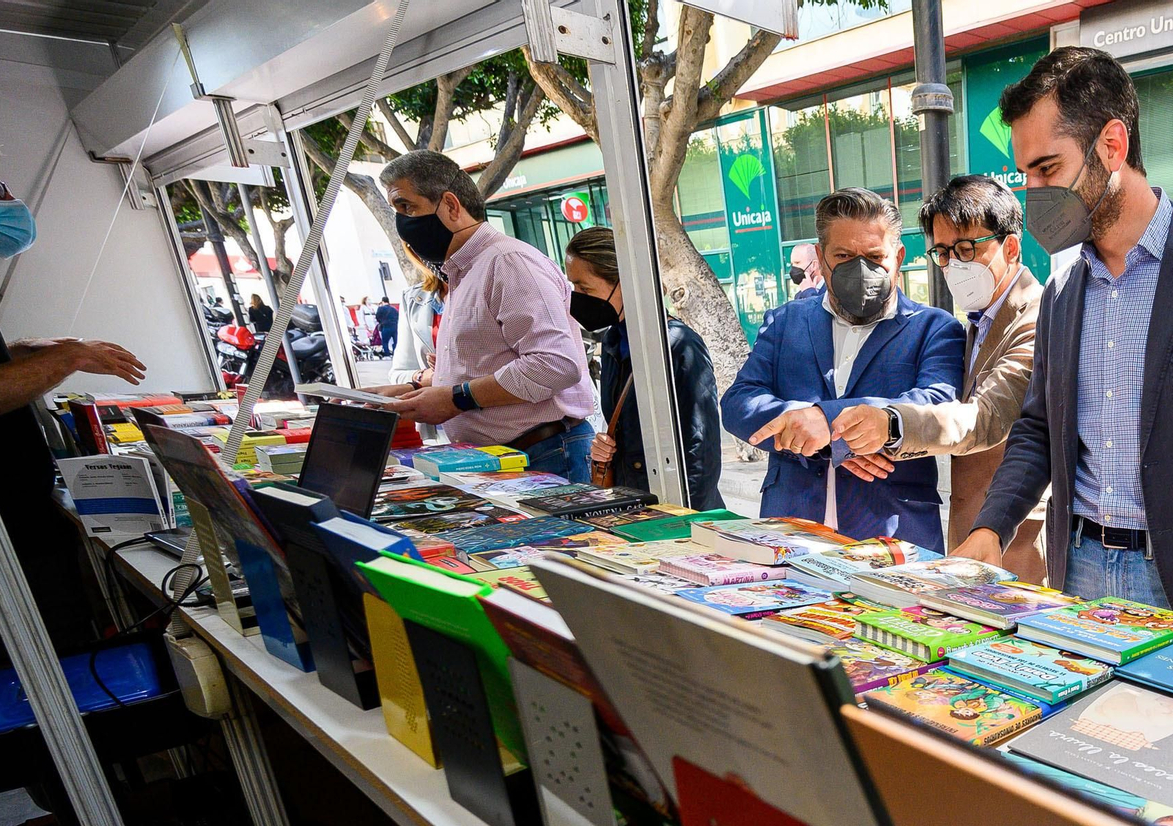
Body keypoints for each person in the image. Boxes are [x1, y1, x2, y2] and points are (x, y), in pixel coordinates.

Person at [951, 48, 1173, 640]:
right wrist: (991, 528)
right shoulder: (1065, 288)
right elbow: (1040, 427)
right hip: (1078, 571)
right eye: (1025, 177)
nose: (1033, 194)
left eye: (1048, 168)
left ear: (1111, 146)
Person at [0, 139, 147, 662]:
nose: (6, 199)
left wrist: (33, 349)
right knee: (47, 668)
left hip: (20, 522)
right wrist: (62, 361)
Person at [721, 187, 964, 551]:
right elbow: (739, 401)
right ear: (820, 257)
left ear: (898, 257)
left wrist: (825, 422)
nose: (860, 268)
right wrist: (823, 440)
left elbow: (932, 403)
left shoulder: (935, 328)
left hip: (894, 538)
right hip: (789, 532)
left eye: (874, 256)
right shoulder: (786, 321)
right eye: (844, 255)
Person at [834, 175, 1049, 580]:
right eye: (943, 253)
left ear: (1012, 247)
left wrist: (893, 424)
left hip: (1016, 541)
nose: (954, 265)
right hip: (970, 530)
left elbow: (986, 417)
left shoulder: (1039, 319)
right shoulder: (976, 321)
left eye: (966, 248)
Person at [371, 150, 595, 482]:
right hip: (504, 458)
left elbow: (554, 365)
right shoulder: (464, 272)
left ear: (450, 205)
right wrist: (410, 391)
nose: (403, 222)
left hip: (542, 453)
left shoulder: (508, 262)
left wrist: (454, 400)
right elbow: (483, 363)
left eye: (407, 207)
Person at [563, 226, 724, 509]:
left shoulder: (678, 345)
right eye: (573, 286)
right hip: (634, 505)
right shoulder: (613, 339)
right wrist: (605, 446)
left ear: (623, 281)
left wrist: (685, 518)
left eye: (584, 288)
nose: (577, 297)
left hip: (675, 508)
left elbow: (702, 449)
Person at [374, 296, 399, 362]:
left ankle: (387, 354)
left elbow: (377, 317)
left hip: (385, 326)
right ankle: (395, 353)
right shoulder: (394, 309)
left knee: (385, 341)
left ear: (382, 301)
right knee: (395, 341)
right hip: (394, 327)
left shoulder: (380, 308)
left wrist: (381, 322)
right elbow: (398, 317)